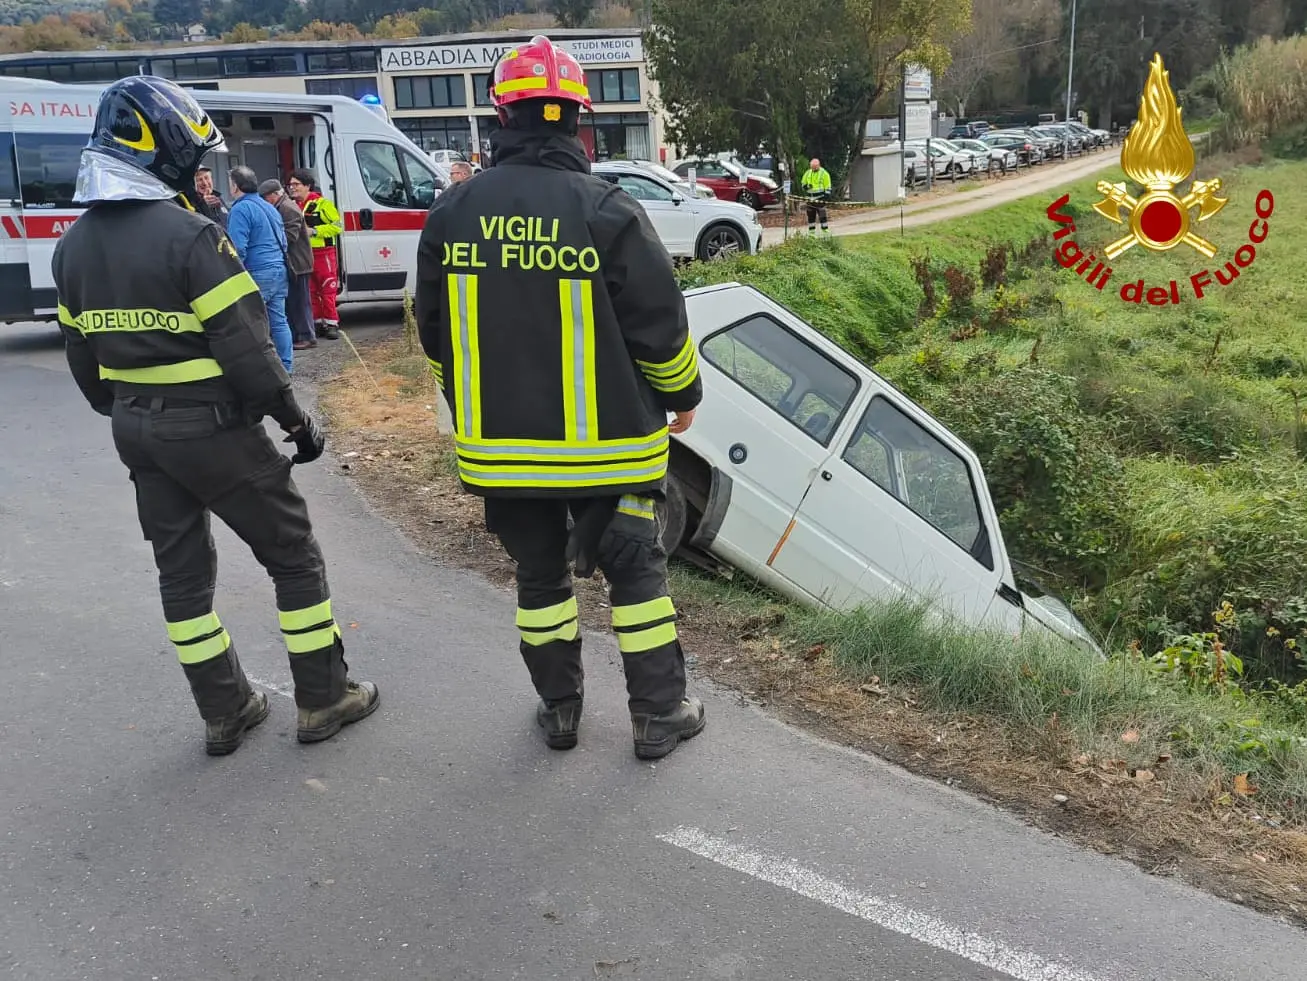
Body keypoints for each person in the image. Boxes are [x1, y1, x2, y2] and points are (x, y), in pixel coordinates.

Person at [50, 75, 379, 757]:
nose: (200, 172)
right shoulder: (193, 238)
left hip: (136, 430)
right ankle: (323, 697)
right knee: (292, 556)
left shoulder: (71, 247)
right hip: (214, 431)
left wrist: (131, 410)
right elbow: (248, 351)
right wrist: (295, 421)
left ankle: (225, 711)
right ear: (164, 151)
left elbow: (84, 362)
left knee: (181, 576)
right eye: (193, 158)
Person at [415, 35, 706, 761]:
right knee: (635, 575)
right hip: (610, 455)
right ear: (578, 121)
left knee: (539, 579)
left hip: (504, 454)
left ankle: (560, 711)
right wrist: (683, 396)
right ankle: (658, 716)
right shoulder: (608, 210)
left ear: (500, 119)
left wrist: (467, 401)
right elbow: (660, 329)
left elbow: (434, 333)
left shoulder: (452, 214)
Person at [227, 165, 293, 372]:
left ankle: (261, 370)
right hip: (279, 270)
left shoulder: (240, 209)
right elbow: (283, 242)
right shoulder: (269, 207)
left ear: (236, 186)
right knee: (279, 321)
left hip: (257, 272)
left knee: (252, 322)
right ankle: (286, 366)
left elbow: (237, 248)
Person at [259, 177, 317, 352]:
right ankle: (297, 335)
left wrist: (269, 238)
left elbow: (290, 237)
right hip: (293, 263)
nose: (263, 201)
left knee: (300, 302)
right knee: (292, 302)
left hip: (298, 264)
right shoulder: (282, 206)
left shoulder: (287, 209)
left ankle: (307, 336)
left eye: (265, 197)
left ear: (274, 195)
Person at [286, 168, 341, 341]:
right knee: (310, 291)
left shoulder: (323, 204)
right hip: (305, 255)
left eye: (296, 184)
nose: (292, 188)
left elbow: (338, 226)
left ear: (307, 186)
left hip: (324, 254)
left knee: (327, 289)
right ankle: (317, 323)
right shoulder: (293, 206)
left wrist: (315, 231)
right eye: (290, 185)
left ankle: (332, 324)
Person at [800, 157, 831, 235]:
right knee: (810, 216)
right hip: (810, 200)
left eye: (815, 167)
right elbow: (803, 183)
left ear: (818, 165)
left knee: (822, 216)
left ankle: (825, 232)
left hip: (820, 199)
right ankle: (811, 233)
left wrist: (826, 197)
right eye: (812, 167)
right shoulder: (808, 173)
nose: (813, 169)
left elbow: (828, 187)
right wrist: (806, 186)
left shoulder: (824, 173)